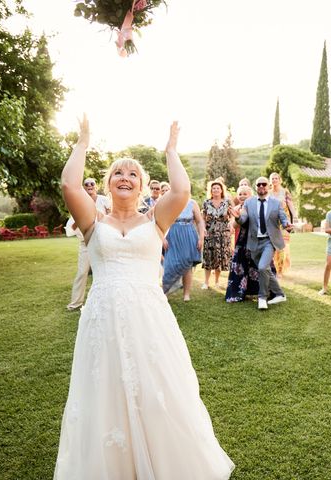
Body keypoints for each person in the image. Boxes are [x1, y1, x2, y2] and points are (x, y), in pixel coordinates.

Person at [54, 116, 234, 479]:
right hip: (102, 319)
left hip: (149, 319)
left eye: (132, 174)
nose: (124, 176)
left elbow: (181, 191)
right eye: (118, 172)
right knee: (106, 392)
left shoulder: (155, 220)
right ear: (108, 184)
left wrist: (170, 150)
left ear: (141, 187)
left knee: (157, 390)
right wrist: (83, 141)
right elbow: (69, 184)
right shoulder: (93, 222)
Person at [232, 176, 292, 310]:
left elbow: (283, 219)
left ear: (268, 186)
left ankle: (262, 297)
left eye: (263, 184)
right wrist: (237, 217)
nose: (261, 187)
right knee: (265, 269)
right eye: (258, 185)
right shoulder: (249, 202)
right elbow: (244, 219)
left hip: (269, 241)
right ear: (256, 187)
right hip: (253, 242)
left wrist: (287, 225)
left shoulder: (276, 203)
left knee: (261, 267)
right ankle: (280, 294)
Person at [65, 177, 111, 311]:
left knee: (106, 272)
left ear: (96, 186)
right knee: (81, 272)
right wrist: (81, 217)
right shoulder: (79, 202)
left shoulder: (104, 200)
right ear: (84, 187)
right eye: (87, 184)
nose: (90, 186)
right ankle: (75, 303)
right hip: (85, 243)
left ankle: (107, 303)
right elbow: (71, 227)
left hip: (103, 242)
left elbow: (111, 216)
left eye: (92, 183)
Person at [225, 185, 277, 303]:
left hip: (259, 240)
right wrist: (237, 218)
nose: (242, 196)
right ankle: (239, 293)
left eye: (245, 194)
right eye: (240, 194)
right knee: (241, 266)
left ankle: (269, 292)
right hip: (243, 241)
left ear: (251, 195)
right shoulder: (237, 208)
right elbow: (234, 226)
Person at [162, 198, 205, 301]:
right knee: (170, 264)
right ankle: (165, 292)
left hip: (188, 234)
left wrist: (201, 238)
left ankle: (186, 294)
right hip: (172, 234)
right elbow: (160, 221)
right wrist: (162, 238)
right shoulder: (168, 201)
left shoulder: (192, 203)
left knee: (187, 264)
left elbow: (199, 221)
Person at [201, 179, 232, 289]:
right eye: (213, 188)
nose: (215, 190)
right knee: (209, 256)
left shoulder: (227, 202)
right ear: (211, 190)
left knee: (220, 257)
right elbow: (203, 218)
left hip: (223, 233)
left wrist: (231, 224)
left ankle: (217, 281)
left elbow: (232, 216)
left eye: (217, 188)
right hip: (210, 232)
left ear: (221, 190)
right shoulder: (206, 202)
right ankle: (206, 282)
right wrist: (203, 228)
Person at [268, 172, 296, 279]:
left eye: (276, 178)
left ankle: (280, 270)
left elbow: (291, 205)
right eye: (272, 178)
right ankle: (273, 268)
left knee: (282, 247)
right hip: (272, 222)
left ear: (280, 180)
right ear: (270, 181)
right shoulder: (268, 193)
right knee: (273, 247)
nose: (274, 180)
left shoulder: (285, 192)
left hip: (284, 223)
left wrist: (295, 218)